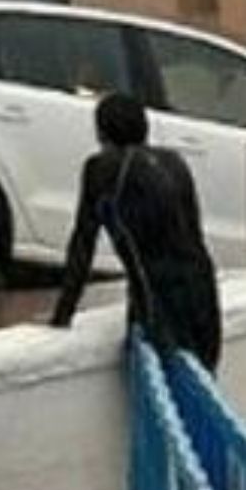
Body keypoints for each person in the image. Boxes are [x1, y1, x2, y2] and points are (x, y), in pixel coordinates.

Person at [50, 92, 221, 372]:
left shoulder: (101, 169)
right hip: (203, 290)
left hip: (157, 297)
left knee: (163, 391)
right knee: (201, 385)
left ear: (101, 131)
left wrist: (62, 315)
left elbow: (83, 243)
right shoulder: (174, 162)